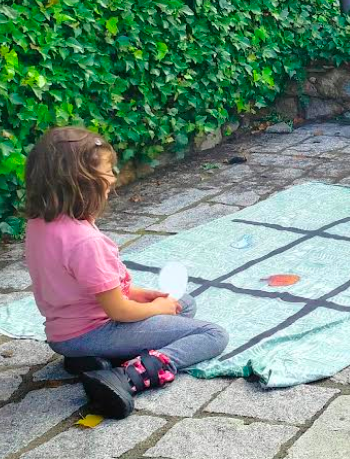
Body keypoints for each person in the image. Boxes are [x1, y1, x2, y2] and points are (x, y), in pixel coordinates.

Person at [23, 127, 229, 418]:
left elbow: (86, 287)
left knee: (184, 303)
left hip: (64, 333)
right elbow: (118, 311)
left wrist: (140, 294)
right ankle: (128, 375)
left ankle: (91, 359)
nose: (112, 178)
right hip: (95, 329)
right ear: (80, 182)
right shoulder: (85, 241)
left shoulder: (40, 224)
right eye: (106, 172)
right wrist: (155, 308)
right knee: (212, 334)